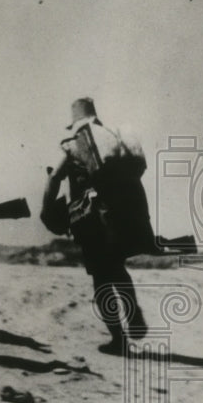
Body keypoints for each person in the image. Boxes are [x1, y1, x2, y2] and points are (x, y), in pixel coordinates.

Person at [41, 97, 151, 353]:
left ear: (76, 122)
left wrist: (47, 209)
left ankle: (118, 340)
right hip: (120, 216)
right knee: (117, 269)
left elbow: (55, 177)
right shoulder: (112, 137)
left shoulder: (74, 144)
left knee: (101, 280)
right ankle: (133, 315)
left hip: (92, 223)